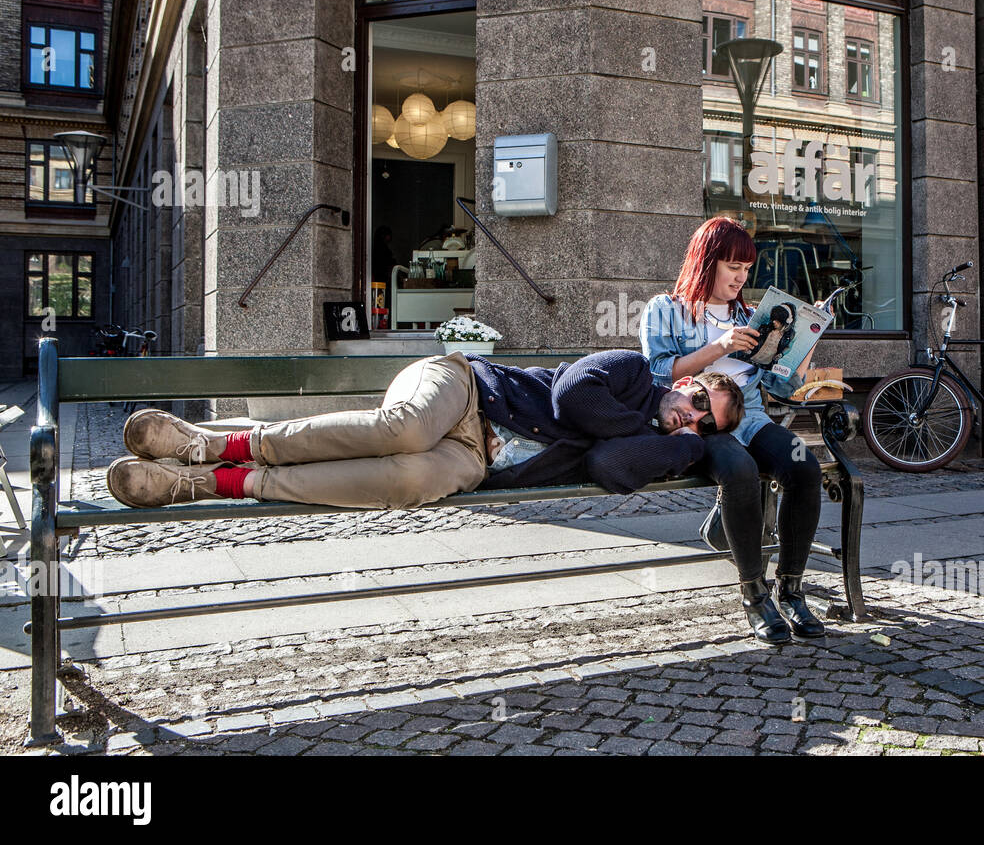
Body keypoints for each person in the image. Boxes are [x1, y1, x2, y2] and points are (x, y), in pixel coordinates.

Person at [106, 350, 744, 510]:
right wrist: (655, 422)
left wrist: (675, 446)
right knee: (406, 431)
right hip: (464, 389)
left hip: (474, 461)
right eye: (696, 400)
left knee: (413, 478)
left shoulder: (657, 439)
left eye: (701, 425)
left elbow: (609, 468)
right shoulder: (632, 373)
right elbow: (574, 397)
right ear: (686, 380)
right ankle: (215, 444)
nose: (691, 415)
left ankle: (218, 483)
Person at [640, 217, 831, 647]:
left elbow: (782, 385)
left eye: (747, 269)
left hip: (752, 417)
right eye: (733, 267)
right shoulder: (666, 309)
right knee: (740, 470)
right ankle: (755, 593)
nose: (741, 278)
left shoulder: (752, 315)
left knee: (804, 468)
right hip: (701, 423)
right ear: (706, 262)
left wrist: (808, 337)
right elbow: (656, 374)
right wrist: (719, 347)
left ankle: (792, 588)